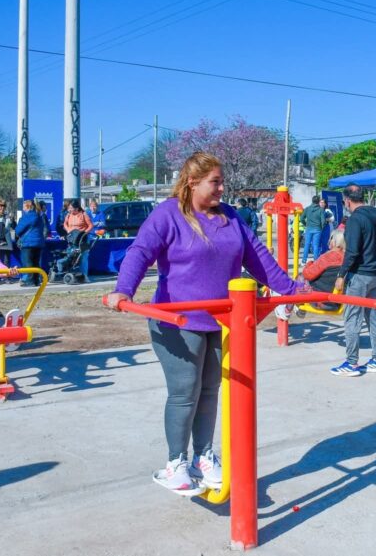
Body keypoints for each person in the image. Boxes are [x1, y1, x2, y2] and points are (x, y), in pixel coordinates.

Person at [105, 151, 306, 495]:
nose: (222, 188)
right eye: (215, 182)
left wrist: (290, 289)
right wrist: (123, 291)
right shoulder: (168, 214)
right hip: (177, 320)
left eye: (221, 181)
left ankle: (203, 456)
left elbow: (257, 256)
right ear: (192, 182)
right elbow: (140, 252)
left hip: (220, 321)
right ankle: (175, 464)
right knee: (185, 393)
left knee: (210, 392)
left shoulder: (229, 217)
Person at [331, 184, 376, 376]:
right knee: (373, 317)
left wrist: (341, 275)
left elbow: (352, 251)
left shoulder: (356, 219)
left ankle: (351, 363)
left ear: (347, 200)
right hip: (375, 273)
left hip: (360, 274)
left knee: (352, 317)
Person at [300, 228, 346, 312]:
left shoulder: (327, 257)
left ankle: (295, 305)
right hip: (337, 303)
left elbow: (308, 274)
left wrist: (309, 264)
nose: (329, 240)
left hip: (321, 300)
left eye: (331, 238)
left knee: (300, 278)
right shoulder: (347, 258)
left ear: (335, 241)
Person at [14, 199, 47, 287]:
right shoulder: (39, 216)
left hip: (28, 243)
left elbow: (18, 230)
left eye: (24, 206)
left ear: (28, 206)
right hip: (39, 243)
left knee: (27, 262)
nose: (23, 208)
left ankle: (29, 281)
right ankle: (36, 280)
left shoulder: (27, 216)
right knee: (36, 262)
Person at [62, 199, 94, 282]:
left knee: (83, 257)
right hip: (72, 239)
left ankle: (85, 276)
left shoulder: (83, 214)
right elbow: (65, 224)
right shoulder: (68, 215)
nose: (70, 210)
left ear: (76, 208)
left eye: (71, 208)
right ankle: (71, 274)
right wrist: (68, 229)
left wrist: (84, 233)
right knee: (71, 256)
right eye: (69, 208)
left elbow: (90, 225)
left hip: (82, 239)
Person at [300, 195, 325, 264]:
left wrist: (305, 224)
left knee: (307, 244)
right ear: (318, 201)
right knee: (315, 245)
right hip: (317, 229)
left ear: (312, 201)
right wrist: (321, 228)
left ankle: (303, 261)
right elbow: (323, 221)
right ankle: (316, 261)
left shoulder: (307, 209)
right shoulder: (321, 210)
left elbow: (301, 218)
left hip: (309, 228)